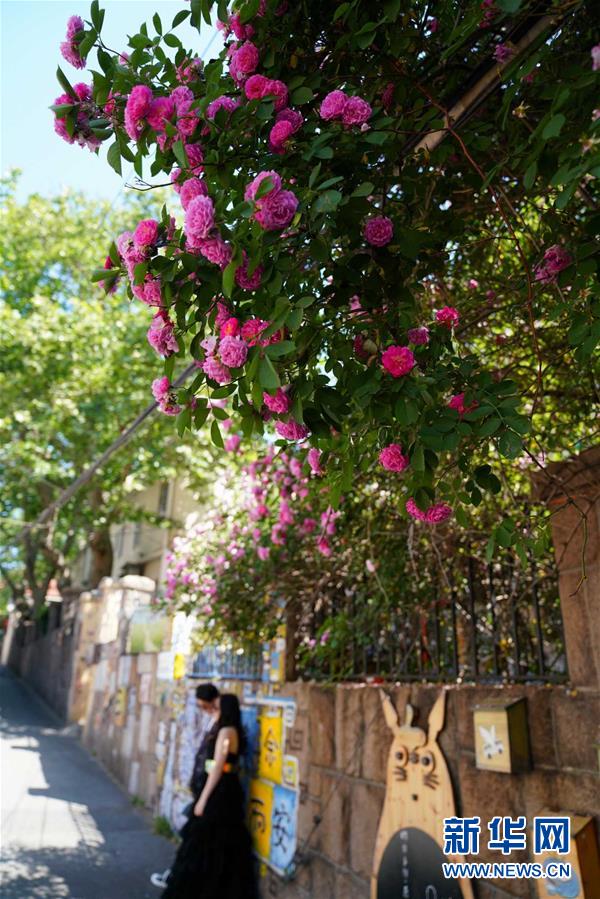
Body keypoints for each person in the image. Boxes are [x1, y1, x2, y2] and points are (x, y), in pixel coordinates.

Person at [160, 693, 260, 899]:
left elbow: (217, 768)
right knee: (222, 838)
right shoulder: (234, 731)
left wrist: (203, 798)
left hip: (219, 788)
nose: (214, 711)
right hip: (230, 787)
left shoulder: (225, 732)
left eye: (218, 707)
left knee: (204, 834)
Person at [150, 683, 221, 889]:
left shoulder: (222, 725)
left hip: (209, 792)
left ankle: (176, 878)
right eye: (201, 707)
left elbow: (217, 764)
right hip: (204, 789)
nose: (204, 711)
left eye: (205, 706)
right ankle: (180, 877)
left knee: (192, 838)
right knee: (195, 839)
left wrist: (204, 797)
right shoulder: (214, 721)